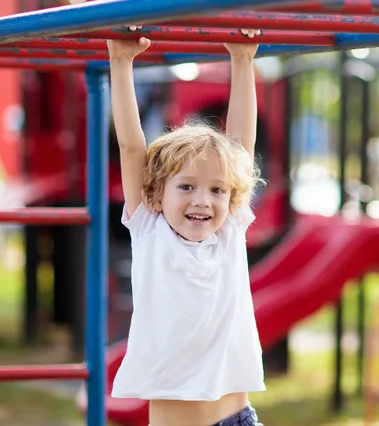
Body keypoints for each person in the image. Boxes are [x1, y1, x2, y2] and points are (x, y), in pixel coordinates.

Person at [106, 27, 266, 426]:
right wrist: (121, 62)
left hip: (237, 418)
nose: (202, 200)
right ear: (156, 194)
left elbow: (241, 148)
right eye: (187, 187)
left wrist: (242, 60)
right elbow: (131, 146)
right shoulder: (149, 229)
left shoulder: (229, 232)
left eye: (216, 190)